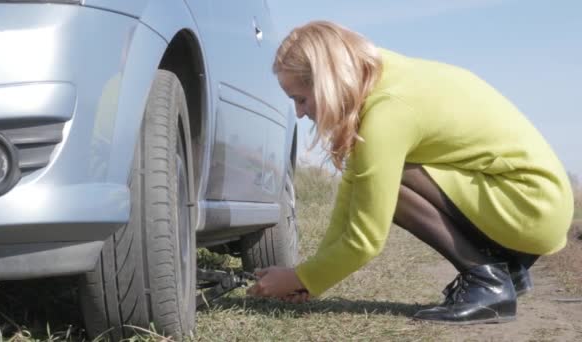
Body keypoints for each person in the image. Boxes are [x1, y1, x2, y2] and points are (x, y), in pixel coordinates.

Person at [246, 21, 574, 325]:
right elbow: (351, 191)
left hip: (531, 207)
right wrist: (308, 278)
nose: (300, 114)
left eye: (301, 99)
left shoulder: (388, 110)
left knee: (395, 175)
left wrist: (302, 278)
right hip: (537, 204)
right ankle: (507, 272)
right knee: (377, 173)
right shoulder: (381, 76)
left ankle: (487, 280)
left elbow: (365, 240)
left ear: (328, 83)